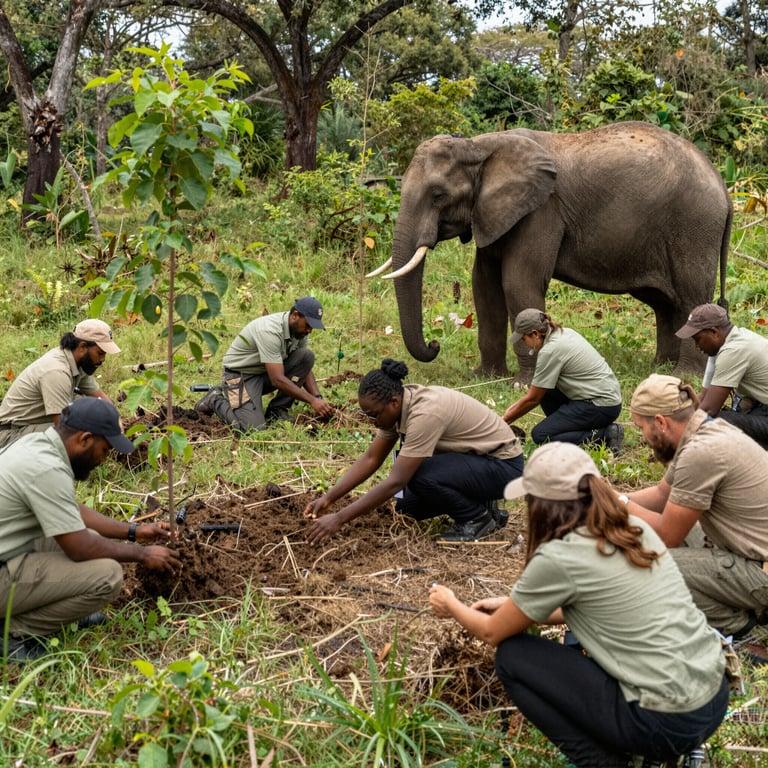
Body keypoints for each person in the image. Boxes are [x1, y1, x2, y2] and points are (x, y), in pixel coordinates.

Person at [429, 441, 728, 768]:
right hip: (712, 696)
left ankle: (607, 762)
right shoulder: (634, 527)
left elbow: (490, 633)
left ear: (542, 504)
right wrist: (518, 606)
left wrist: (451, 604)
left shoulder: (560, 557)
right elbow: (602, 604)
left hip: (665, 721)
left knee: (513, 656)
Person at [0, 398, 181, 662]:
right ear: (84, 439)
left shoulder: (38, 445)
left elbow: (73, 512)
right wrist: (142, 554)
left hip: (8, 551)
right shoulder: (46, 468)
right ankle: (12, 632)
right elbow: (79, 547)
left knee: (95, 540)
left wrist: (135, 531)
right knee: (107, 576)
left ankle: (56, 607)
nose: (104, 460)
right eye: (104, 450)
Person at [304, 358, 523, 544]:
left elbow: (396, 481)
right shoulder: (395, 411)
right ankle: (483, 502)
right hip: (477, 461)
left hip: (503, 466)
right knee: (406, 507)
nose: (372, 422)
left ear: (393, 402)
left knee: (418, 476)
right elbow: (372, 459)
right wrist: (328, 498)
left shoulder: (425, 413)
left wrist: (339, 519)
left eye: (374, 415)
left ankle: (477, 518)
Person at [623, 373, 768, 641]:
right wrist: (607, 496)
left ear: (660, 422)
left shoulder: (702, 452)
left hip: (762, 571)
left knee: (650, 565)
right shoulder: (703, 430)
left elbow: (668, 535)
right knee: (645, 533)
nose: (642, 437)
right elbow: (660, 496)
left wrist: (617, 504)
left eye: (640, 428)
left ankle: (743, 628)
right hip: (754, 552)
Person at [195, 296, 334, 430]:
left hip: (264, 373)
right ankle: (214, 399)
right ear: (295, 315)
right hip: (239, 377)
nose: (310, 331)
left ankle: (277, 411)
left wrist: (318, 397)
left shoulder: (299, 331)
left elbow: (304, 366)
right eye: (308, 325)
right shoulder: (269, 330)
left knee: (306, 356)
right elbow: (277, 380)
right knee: (251, 428)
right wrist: (312, 401)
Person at [501, 308, 624, 452]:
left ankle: (606, 434)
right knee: (545, 389)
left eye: (523, 339)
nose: (524, 343)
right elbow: (538, 391)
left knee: (541, 435)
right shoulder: (565, 332)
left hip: (601, 405)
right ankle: (565, 430)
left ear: (535, 334)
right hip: (606, 397)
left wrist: (503, 421)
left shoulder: (550, 350)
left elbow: (532, 399)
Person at [0, 319, 120, 449]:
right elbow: (64, 431)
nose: (103, 359)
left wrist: (116, 421)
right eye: (100, 353)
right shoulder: (57, 371)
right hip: (9, 435)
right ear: (82, 347)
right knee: (83, 434)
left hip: (31, 425)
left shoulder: (78, 362)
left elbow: (102, 399)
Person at [675, 302, 768, 448]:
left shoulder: (733, 351)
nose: (696, 347)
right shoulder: (736, 337)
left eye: (697, 339)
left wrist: (673, 438)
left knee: (716, 421)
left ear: (714, 332)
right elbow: (704, 398)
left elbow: (707, 410)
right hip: (762, 405)